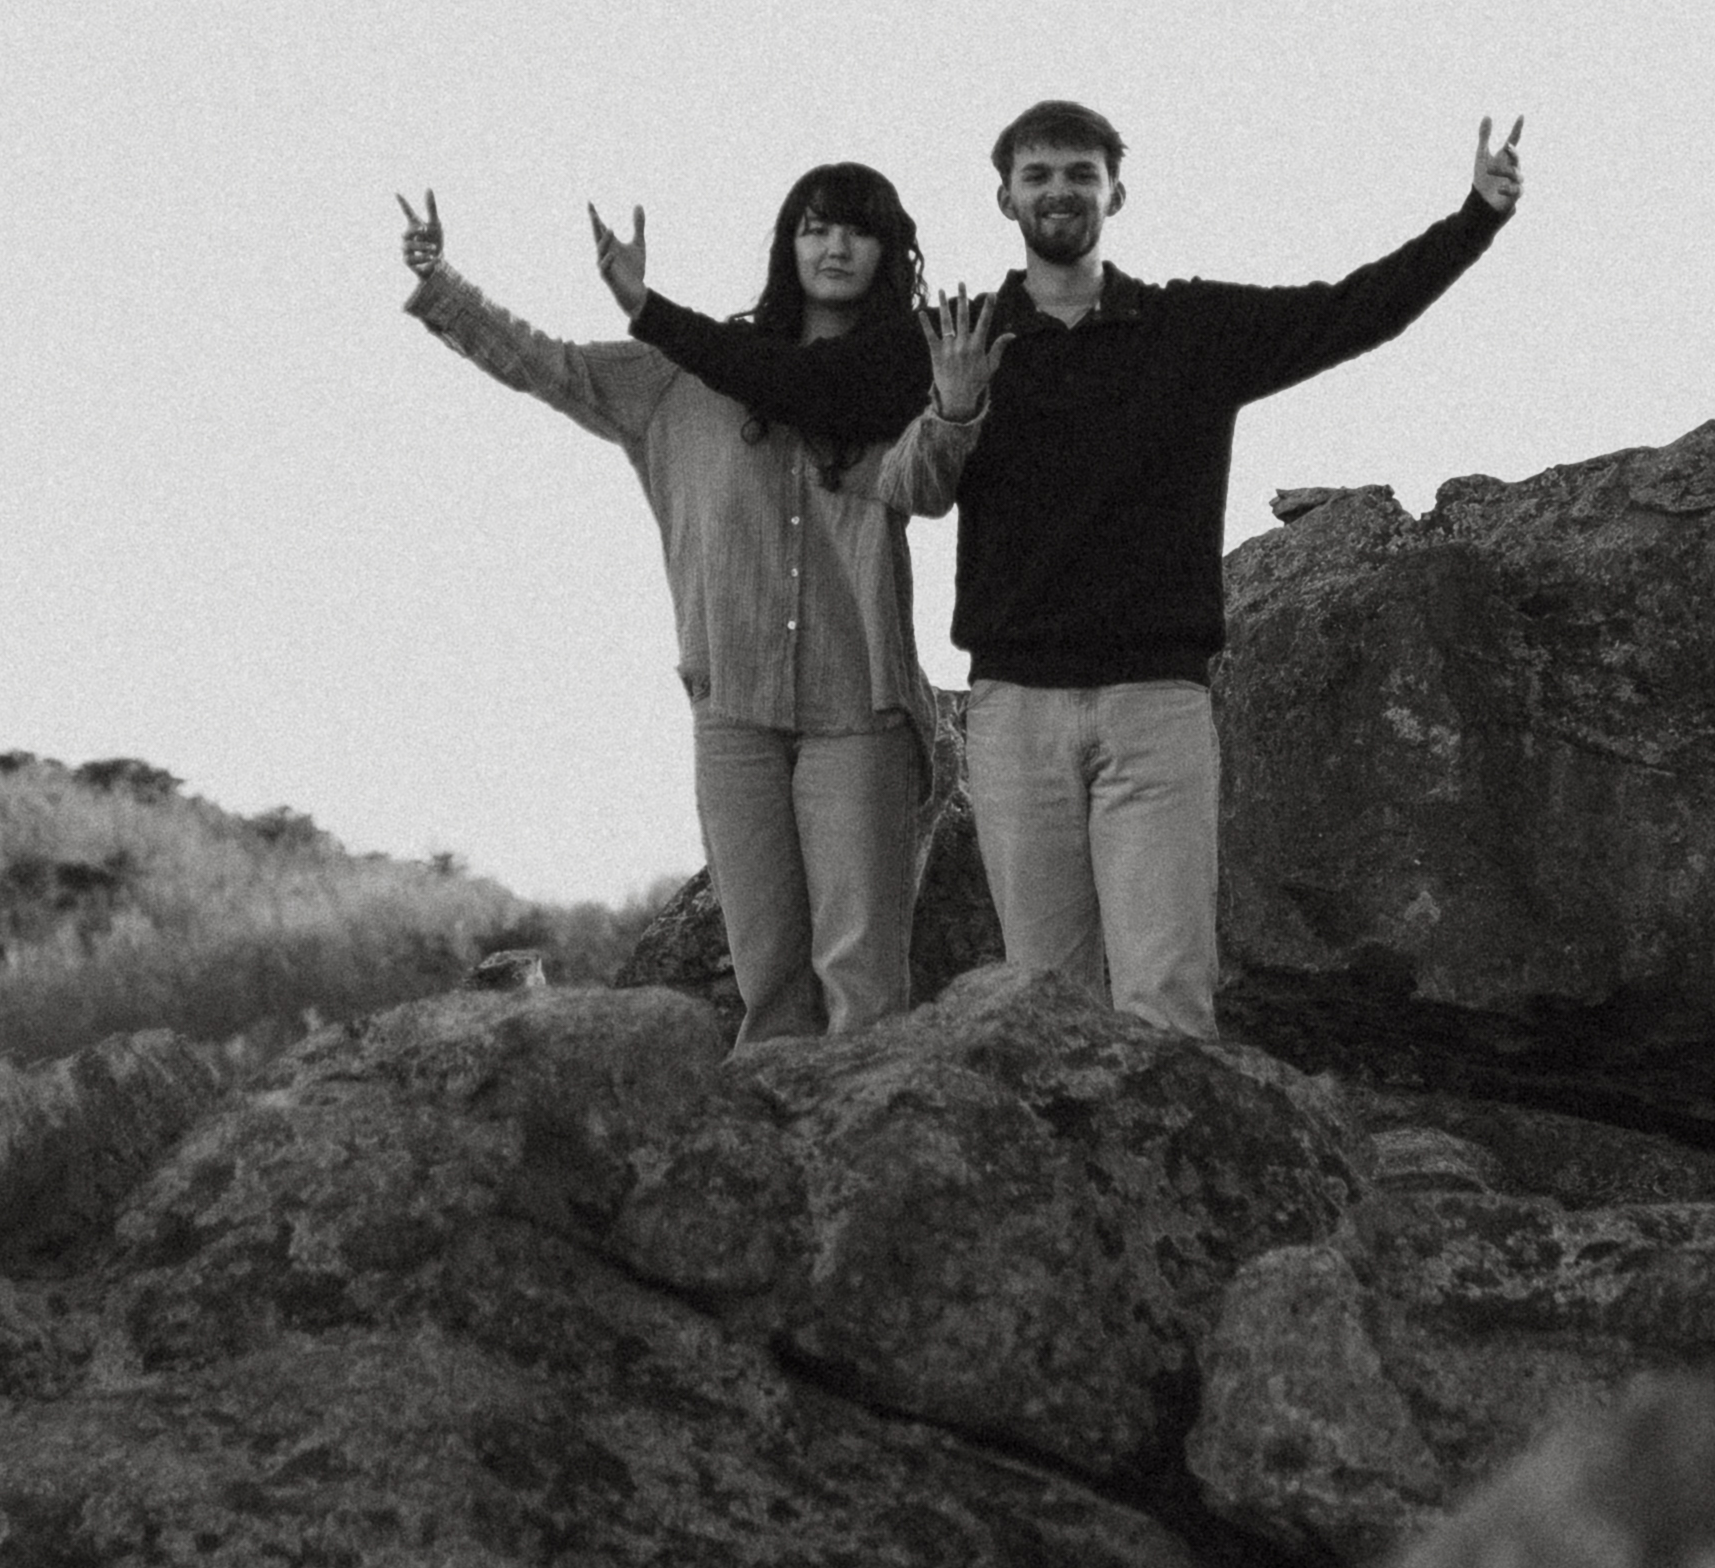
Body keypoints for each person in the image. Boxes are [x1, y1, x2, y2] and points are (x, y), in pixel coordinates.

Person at [623, 94, 1522, 1034]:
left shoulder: (1190, 331)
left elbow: (1352, 311)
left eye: (1080, 175)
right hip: (1016, 713)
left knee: (1166, 999)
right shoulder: (954, 341)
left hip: (1155, 707)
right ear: (1006, 198)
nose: (1060, 191)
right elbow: (789, 380)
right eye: (1039, 175)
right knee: (1041, 1013)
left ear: (1116, 195)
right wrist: (652, 313)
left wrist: (1476, 220)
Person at [397, 164, 996, 1047]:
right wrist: (442, 284)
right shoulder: (683, 376)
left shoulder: (895, 377)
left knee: (863, 993)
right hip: (733, 715)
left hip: (859, 707)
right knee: (769, 987)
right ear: (787, 244)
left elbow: (926, 487)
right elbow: (549, 366)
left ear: (888, 252)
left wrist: (953, 406)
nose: (836, 247)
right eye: (816, 227)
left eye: (858, 232)